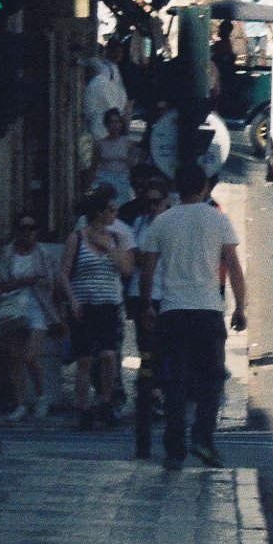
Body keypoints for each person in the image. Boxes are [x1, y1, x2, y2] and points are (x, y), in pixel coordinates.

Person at [139, 169, 248, 467]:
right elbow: (234, 267)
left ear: (177, 188)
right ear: (204, 187)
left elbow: (147, 268)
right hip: (207, 309)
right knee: (210, 380)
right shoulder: (218, 219)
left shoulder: (163, 221)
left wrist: (147, 305)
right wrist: (240, 307)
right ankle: (203, 440)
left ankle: (174, 450)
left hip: (173, 310)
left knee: (176, 380)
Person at [60, 191, 134, 428]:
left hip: (108, 304)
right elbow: (64, 272)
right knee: (84, 358)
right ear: (99, 213)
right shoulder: (77, 238)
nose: (115, 214)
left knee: (109, 356)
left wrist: (109, 248)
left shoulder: (116, 238)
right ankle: (83, 408)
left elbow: (126, 270)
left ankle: (104, 401)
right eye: (111, 209)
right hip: (83, 305)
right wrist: (72, 301)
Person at [0, 213, 62, 416]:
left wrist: (59, 312)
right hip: (14, 306)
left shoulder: (44, 254)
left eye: (31, 229)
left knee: (31, 356)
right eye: (23, 228)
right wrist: (26, 281)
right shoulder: (7, 254)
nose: (27, 233)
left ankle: (41, 397)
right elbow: (2, 285)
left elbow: (55, 282)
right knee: (14, 359)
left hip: (38, 308)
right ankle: (21, 403)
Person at [124, 174, 170, 456]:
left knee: (163, 347)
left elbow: (149, 258)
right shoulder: (139, 224)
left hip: (165, 294)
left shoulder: (167, 227)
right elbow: (134, 259)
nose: (152, 207)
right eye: (148, 202)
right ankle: (149, 395)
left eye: (157, 202)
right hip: (141, 294)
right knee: (145, 346)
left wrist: (145, 257)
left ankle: (158, 392)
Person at [90, 106, 133, 206]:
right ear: (106, 124)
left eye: (117, 122)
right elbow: (94, 166)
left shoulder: (128, 143)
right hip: (104, 178)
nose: (115, 125)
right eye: (111, 122)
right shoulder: (99, 144)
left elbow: (132, 165)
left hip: (121, 179)